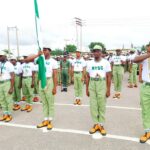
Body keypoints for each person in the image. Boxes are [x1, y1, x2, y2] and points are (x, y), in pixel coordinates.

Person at [26, 47, 58, 130]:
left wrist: (55, 87)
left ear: (50, 51)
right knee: (44, 102)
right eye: (43, 50)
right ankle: (45, 119)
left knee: (50, 102)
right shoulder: (40, 59)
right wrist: (37, 54)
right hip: (41, 81)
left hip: (49, 81)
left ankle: (50, 121)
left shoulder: (53, 61)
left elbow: (55, 75)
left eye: (46, 50)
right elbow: (27, 60)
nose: (44, 51)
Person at [86, 45, 111, 135]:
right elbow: (88, 76)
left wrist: (108, 90)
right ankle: (95, 124)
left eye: (98, 51)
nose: (96, 53)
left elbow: (108, 76)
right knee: (93, 105)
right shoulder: (89, 63)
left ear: (101, 52)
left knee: (101, 104)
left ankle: (101, 124)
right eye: (94, 51)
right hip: (92, 83)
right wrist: (87, 89)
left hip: (101, 83)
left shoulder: (106, 62)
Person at [134, 44, 150, 143]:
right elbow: (135, 60)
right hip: (146, 86)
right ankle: (147, 131)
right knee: (145, 110)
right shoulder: (144, 57)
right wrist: (148, 54)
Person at [0, 51, 15, 122]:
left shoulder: (9, 64)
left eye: (1, 56)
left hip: (7, 83)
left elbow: (12, 76)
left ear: (5, 56)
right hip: (0, 83)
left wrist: (11, 87)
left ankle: (9, 115)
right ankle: (5, 114)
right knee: (2, 100)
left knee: (8, 99)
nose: (0, 57)